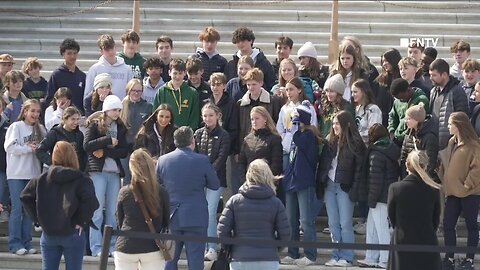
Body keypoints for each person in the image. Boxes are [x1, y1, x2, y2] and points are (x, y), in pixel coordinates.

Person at [21, 141, 98, 270]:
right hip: (73, 231)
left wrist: (38, 219)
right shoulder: (82, 179)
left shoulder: (41, 179)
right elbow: (91, 202)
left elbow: (25, 197)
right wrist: (81, 220)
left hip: (49, 232)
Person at [156, 126, 220, 270]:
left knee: (169, 261)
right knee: (196, 262)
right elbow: (215, 185)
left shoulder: (163, 160)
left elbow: (157, 187)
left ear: (175, 141)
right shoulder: (202, 160)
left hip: (171, 216)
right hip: (195, 216)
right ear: (193, 141)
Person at [217, 159, 291, 270]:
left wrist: (230, 248)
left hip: (240, 259)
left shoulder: (234, 201)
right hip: (268, 259)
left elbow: (222, 231)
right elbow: (285, 234)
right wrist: (274, 248)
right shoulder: (276, 203)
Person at [319, 110, 366, 267]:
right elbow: (324, 164)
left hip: (345, 186)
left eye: (337, 123)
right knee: (333, 223)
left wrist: (355, 189)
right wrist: (321, 182)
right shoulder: (330, 141)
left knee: (345, 223)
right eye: (333, 124)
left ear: (346, 124)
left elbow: (359, 170)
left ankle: (347, 256)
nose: (334, 127)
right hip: (330, 185)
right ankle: (336, 254)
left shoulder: (356, 144)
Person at [84, 95, 128, 257]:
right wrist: (108, 139)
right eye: (114, 110)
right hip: (97, 172)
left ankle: (111, 247)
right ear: (106, 110)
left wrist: (105, 152)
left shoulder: (121, 127)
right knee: (96, 210)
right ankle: (96, 247)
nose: (117, 113)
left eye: (119, 110)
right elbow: (87, 145)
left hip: (114, 173)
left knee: (112, 211)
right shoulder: (95, 125)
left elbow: (123, 151)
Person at [114, 149, 170, 270]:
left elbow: (120, 220)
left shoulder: (125, 192)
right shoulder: (162, 192)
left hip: (126, 244)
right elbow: (166, 222)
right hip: (152, 246)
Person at [4, 99, 46, 255]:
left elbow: (44, 149)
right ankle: (15, 243)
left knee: (29, 210)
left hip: (33, 174)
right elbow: (9, 147)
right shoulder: (16, 127)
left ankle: (27, 242)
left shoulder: (41, 129)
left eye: (37, 111)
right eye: (32, 111)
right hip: (16, 173)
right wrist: (28, 149)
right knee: (17, 208)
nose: (35, 114)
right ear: (25, 111)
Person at [280, 101, 319, 267]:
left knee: (306, 221)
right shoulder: (295, 136)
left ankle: (310, 255)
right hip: (291, 181)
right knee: (290, 219)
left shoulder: (308, 136)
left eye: (295, 119)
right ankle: (292, 252)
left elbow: (301, 142)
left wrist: (296, 128)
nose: (293, 122)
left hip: (304, 182)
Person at [387, 150, 441, 270]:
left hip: (402, 239)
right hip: (427, 239)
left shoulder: (395, 188)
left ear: (407, 165)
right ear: (426, 166)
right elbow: (435, 219)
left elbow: (392, 217)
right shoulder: (433, 190)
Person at [356, 124, 400, 269]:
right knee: (373, 228)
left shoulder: (376, 153)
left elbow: (375, 180)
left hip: (379, 198)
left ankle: (385, 259)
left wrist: (371, 199)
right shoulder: (391, 149)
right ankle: (371, 257)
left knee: (381, 230)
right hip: (387, 195)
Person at [440, 112, 480, 270]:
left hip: (470, 193)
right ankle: (449, 258)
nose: (448, 126)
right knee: (448, 224)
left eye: (450, 124)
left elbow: (477, 169)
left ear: (459, 125)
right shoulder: (451, 142)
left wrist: (467, 185)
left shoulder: (474, 144)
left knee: (471, 226)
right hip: (452, 192)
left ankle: (469, 260)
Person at [194, 103, 230, 261]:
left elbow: (221, 159)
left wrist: (206, 173)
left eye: (211, 115)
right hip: (198, 181)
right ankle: (201, 246)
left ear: (217, 116)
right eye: (205, 115)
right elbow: (193, 155)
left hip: (216, 180)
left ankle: (212, 248)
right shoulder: (197, 133)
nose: (208, 118)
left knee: (210, 212)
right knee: (200, 213)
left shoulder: (224, 135)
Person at [429, 58, 469, 150]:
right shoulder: (434, 91)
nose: (431, 78)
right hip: (434, 141)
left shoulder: (457, 91)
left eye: (434, 75)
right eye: (430, 75)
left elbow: (461, 119)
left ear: (444, 75)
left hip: (450, 144)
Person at [237, 68, 282, 150]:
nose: (251, 88)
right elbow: (239, 128)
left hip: (268, 145)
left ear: (261, 83)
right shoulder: (241, 104)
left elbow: (276, 123)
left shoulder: (273, 101)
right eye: (248, 85)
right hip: (248, 145)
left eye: (254, 84)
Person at [119, 79, 153, 185]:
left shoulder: (147, 106)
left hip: (140, 147)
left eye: (139, 91)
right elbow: (113, 126)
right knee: (126, 178)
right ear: (128, 90)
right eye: (133, 90)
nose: (136, 93)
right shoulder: (121, 105)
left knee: (139, 178)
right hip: (124, 148)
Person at [152, 58, 200, 130]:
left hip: (185, 135)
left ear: (185, 73)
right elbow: (155, 114)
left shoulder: (192, 93)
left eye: (180, 73)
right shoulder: (161, 92)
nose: (177, 76)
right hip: (165, 133)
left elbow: (194, 117)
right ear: (169, 72)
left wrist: (188, 132)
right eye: (175, 73)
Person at [37, 106, 87, 172]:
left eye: (78, 119)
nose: (76, 122)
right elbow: (40, 151)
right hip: (58, 171)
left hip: (74, 172)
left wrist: (82, 169)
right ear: (65, 119)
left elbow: (82, 154)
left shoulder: (79, 134)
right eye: (73, 119)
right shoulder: (54, 133)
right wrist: (54, 162)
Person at [84, 34, 133, 99]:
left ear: (115, 47)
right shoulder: (94, 69)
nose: (111, 52)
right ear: (101, 51)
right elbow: (87, 95)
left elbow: (131, 93)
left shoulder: (127, 69)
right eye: (107, 50)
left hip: (121, 108)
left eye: (112, 48)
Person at [46, 38, 86, 114]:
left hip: (78, 119)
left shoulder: (82, 76)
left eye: (75, 53)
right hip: (61, 118)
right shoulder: (56, 75)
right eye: (69, 53)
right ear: (63, 54)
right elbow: (49, 99)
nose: (72, 56)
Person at [401, 103, 438, 180]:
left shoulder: (429, 137)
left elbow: (430, 162)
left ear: (417, 120)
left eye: (409, 119)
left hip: (423, 179)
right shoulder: (408, 135)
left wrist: (421, 179)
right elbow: (403, 157)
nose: (406, 121)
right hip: (409, 177)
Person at [388, 78, 429, 146]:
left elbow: (419, 123)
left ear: (408, 90)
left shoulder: (421, 100)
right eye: (397, 99)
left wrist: (403, 136)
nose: (401, 100)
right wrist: (391, 131)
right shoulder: (397, 102)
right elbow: (392, 116)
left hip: (412, 140)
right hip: (397, 139)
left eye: (402, 98)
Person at [373, 48, 402, 126]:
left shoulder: (401, 78)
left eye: (387, 61)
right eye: (383, 61)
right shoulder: (380, 80)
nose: (384, 64)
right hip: (382, 118)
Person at [351, 79, 382, 144]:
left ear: (364, 92)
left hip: (368, 147)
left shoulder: (373, 109)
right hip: (357, 147)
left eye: (355, 92)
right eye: (352, 92)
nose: (352, 95)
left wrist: (355, 136)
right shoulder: (357, 108)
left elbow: (374, 132)